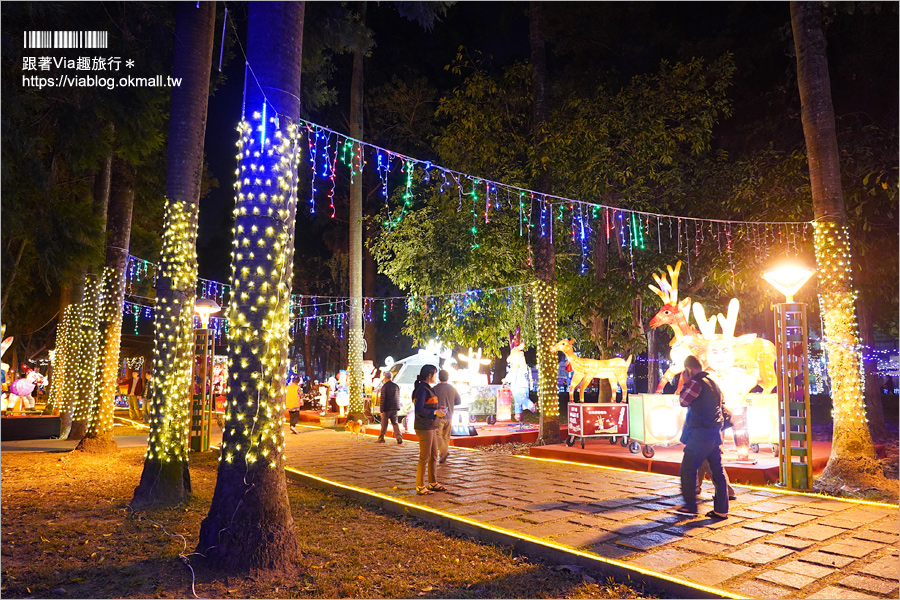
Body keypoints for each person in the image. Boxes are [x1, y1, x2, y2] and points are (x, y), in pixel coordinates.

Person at [674, 355, 729, 519]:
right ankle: (721, 509)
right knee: (717, 471)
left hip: (700, 434)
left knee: (688, 469)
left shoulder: (695, 383)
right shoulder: (713, 383)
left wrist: (685, 381)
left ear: (689, 369)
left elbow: (683, 401)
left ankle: (690, 506)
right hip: (715, 432)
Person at [412, 364, 447, 495]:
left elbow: (429, 405)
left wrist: (438, 409)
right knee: (425, 456)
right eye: (435, 374)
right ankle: (420, 486)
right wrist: (435, 412)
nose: (436, 377)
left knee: (433, 455)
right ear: (429, 375)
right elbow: (419, 409)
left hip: (431, 425)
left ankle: (433, 482)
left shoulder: (427, 388)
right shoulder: (422, 389)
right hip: (424, 427)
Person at [432, 369, 461, 463]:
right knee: (446, 436)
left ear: (438, 377)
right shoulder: (453, 388)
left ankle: (444, 452)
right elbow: (458, 401)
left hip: (439, 416)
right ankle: (443, 454)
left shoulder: (435, 388)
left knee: (437, 435)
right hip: (450, 415)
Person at [376, 372, 403, 444]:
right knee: (395, 423)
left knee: (384, 424)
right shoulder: (396, 386)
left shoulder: (385, 386)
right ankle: (399, 437)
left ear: (385, 378)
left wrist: (381, 410)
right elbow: (398, 397)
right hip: (395, 408)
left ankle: (381, 438)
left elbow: (383, 399)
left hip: (387, 408)